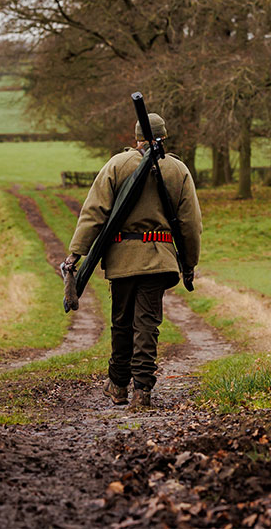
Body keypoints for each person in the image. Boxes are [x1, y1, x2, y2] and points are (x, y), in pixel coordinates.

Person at [61, 112, 202, 409]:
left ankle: (119, 386)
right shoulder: (177, 170)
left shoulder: (117, 165)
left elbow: (93, 213)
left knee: (122, 323)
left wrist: (76, 253)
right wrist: (189, 263)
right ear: (164, 136)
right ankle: (143, 391)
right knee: (147, 324)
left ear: (136, 136)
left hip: (122, 259)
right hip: (159, 258)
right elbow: (190, 223)